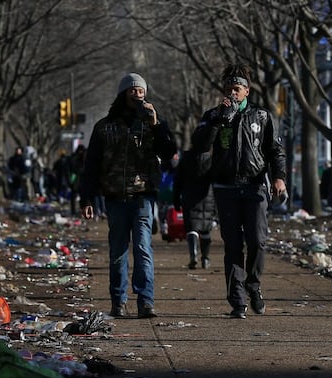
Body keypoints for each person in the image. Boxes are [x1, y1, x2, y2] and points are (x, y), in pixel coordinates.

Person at [191, 63, 287, 319]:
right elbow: (199, 146)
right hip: (226, 188)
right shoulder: (213, 115)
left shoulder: (262, 116)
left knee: (257, 241)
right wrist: (218, 120)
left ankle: (253, 287)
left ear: (246, 91)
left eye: (237, 89)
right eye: (228, 89)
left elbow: (275, 151)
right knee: (233, 246)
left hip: (255, 187)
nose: (232, 93)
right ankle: (237, 301)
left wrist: (279, 178)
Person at [79, 72, 177, 318]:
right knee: (118, 250)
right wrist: (87, 198)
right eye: (133, 90)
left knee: (143, 247)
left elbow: (169, 153)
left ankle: (146, 301)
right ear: (123, 94)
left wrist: (157, 125)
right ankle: (118, 301)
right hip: (115, 197)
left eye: (141, 91)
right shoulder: (104, 127)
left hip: (143, 195)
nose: (137, 95)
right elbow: (91, 165)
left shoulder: (153, 124)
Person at [173, 149, 216, 269]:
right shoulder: (211, 158)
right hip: (207, 196)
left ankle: (193, 255)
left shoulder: (186, 158)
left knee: (192, 228)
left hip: (189, 196)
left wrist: (176, 198)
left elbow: (178, 180)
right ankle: (205, 258)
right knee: (206, 229)